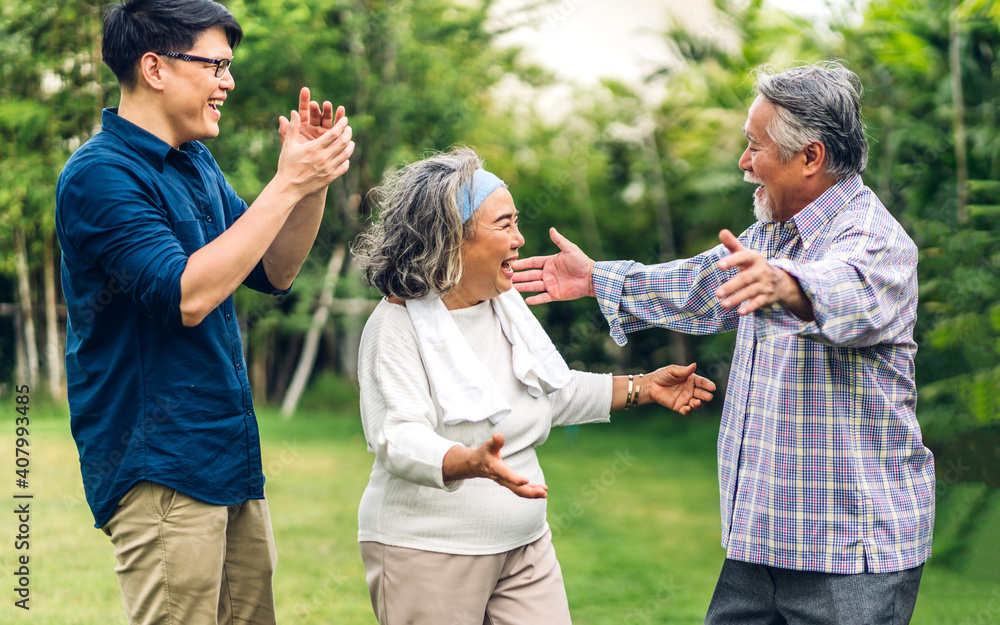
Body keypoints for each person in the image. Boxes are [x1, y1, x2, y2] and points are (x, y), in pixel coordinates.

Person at [513, 61, 935, 625]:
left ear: (810, 157)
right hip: (762, 543)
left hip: (848, 552)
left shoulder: (874, 240)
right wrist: (596, 279)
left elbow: (847, 291)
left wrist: (785, 283)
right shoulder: (768, 236)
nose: (743, 163)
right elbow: (696, 286)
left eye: (754, 147)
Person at [54, 0, 355, 622]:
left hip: (229, 455)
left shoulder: (196, 162)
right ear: (155, 68)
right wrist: (286, 185)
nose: (229, 81)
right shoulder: (99, 176)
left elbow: (275, 267)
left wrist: (311, 183)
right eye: (216, 65)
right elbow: (186, 295)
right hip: (159, 463)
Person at [350, 147, 717, 625]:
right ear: (449, 239)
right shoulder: (395, 324)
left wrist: (643, 387)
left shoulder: (504, 305)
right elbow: (396, 436)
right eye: (504, 225)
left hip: (524, 544)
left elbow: (551, 391)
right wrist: (468, 462)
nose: (519, 238)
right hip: (429, 549)